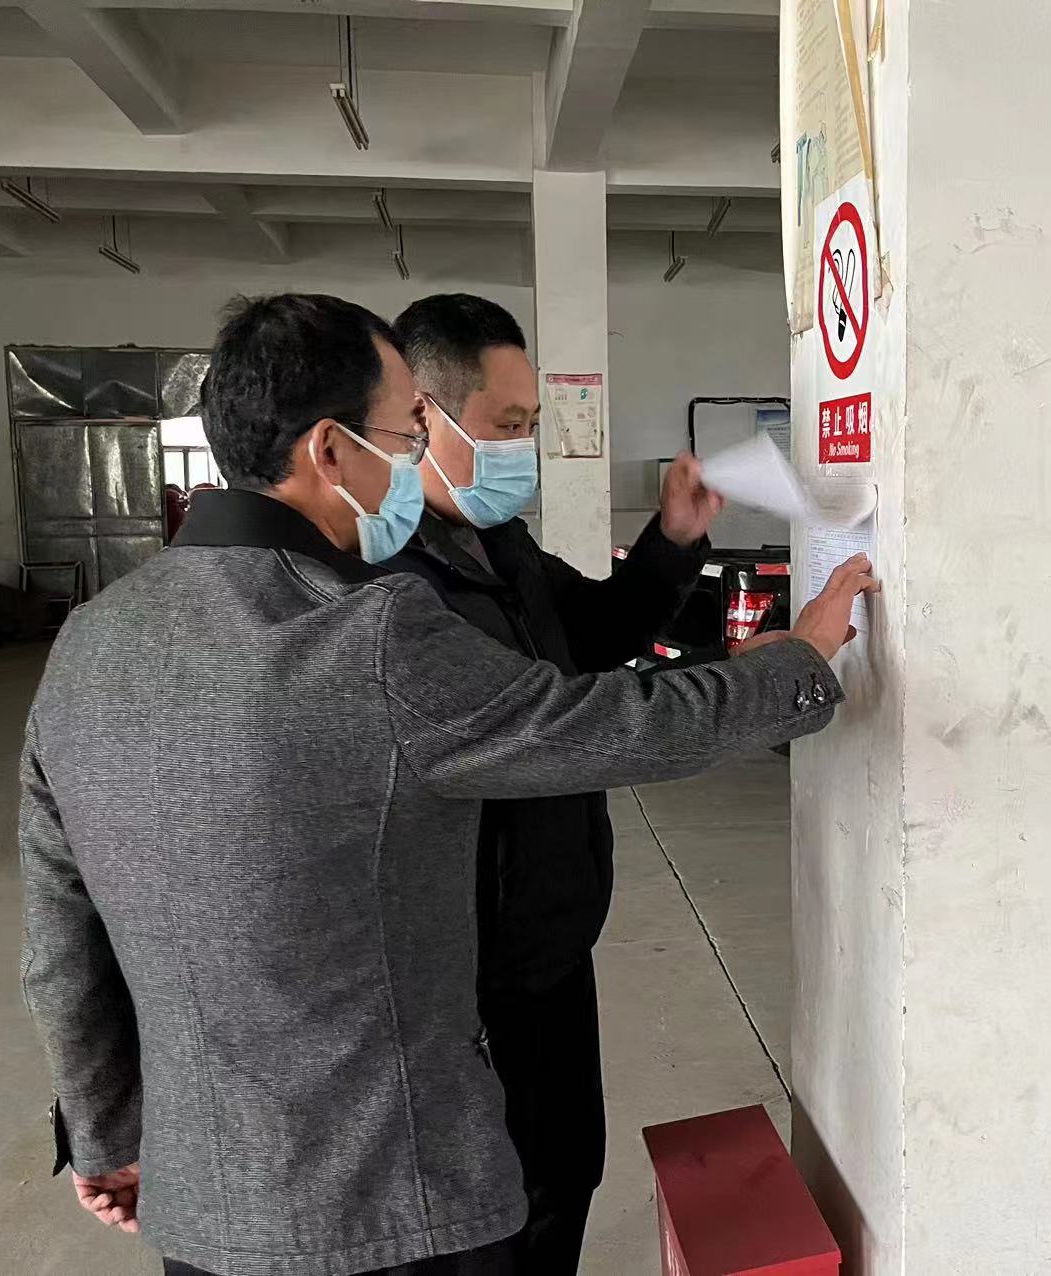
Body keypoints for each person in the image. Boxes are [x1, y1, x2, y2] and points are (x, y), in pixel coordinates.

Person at [18, 292, 877, 1276]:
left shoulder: (91, 638)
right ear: (331, 450)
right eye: (404, 432)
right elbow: (605, 727)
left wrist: (105, 1133)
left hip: (205, 1199)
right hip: (395, 1196)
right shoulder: (370, 629)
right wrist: (797, 664)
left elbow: (60, 938)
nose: (415, 451)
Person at [392, 293, 713, 1273]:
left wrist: (669, 541)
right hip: (470, 971)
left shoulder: (501, 547)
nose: (522, 450)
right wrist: (754, 685)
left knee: (567, 1166)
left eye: (530, 425)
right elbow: (566, 725)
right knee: (502, 1207)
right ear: (423, 417)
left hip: (552, 936)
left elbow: (596, 637)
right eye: (506, 425)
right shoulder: (397, 588)